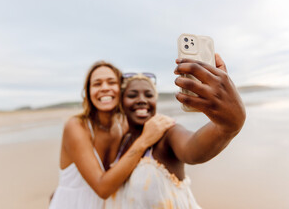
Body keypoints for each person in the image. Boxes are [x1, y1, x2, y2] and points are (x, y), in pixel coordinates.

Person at [105, 54, 246, 208]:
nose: (142, 99)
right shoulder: (120, 141)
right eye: (132, 95)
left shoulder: (167, 133)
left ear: (155, 100)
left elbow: (192, 150)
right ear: (121, 103)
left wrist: (228, 127)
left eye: (149, 95)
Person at [49, 61, 175, 209]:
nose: (104, 88)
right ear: (88, 92)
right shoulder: (77, 126)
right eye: (97, 84)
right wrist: (144, 140)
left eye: (111, 82)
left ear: (121, 90)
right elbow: (102, 189)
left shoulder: (123, 125)